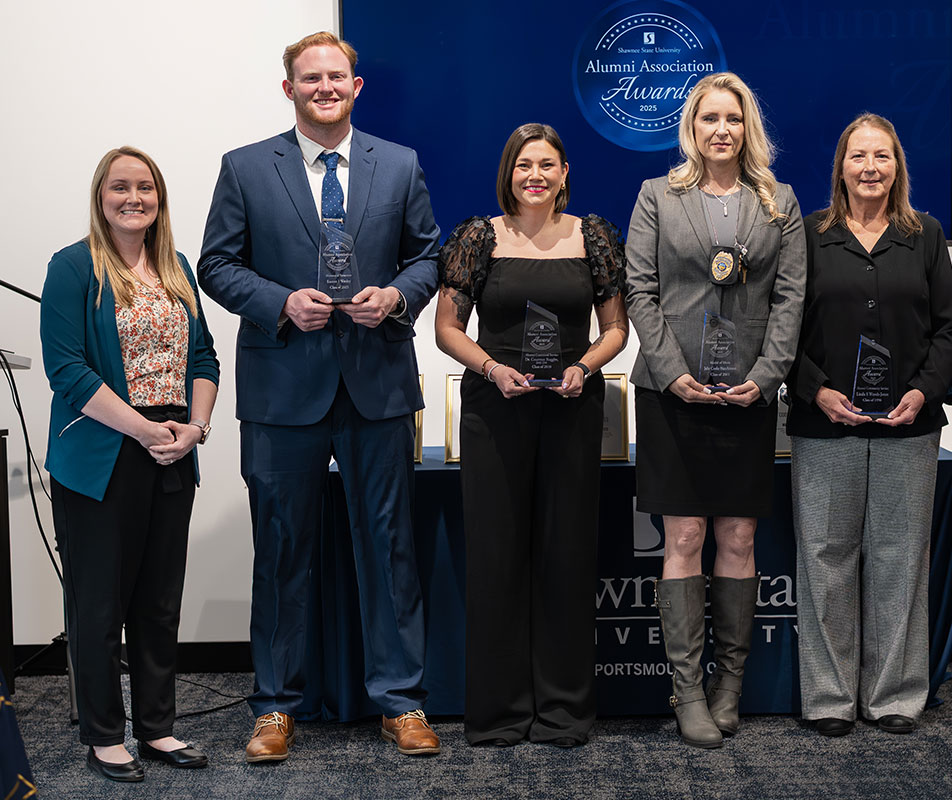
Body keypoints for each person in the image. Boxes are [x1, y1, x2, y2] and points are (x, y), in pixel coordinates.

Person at [198, 31, 441, 761]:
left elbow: (426, 255)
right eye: (311, 79)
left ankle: (401, 703)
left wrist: (396, 297)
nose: (325, 88)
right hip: (282, 390)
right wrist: (278, 303)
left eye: (337, 77)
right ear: (289, 89)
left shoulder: (398, 165)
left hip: (377, 385)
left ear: (356, 87)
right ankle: (275, 706)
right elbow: (216, 263)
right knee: (281, 551)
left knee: (390, 547)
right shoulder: (245, 167)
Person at [625, 72, 805, 748]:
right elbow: (639, 289)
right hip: (674, 396)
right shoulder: (657, 197)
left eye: (732, 119)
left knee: (737, 538)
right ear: (692, 129)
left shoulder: (778, 201)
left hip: (748, 396)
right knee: (685, 539)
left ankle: (730, 683)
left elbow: (791, 298)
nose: (721, 130)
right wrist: (672, 374)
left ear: (746, 128)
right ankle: (687, 690)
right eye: (709, 120)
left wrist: (765, 377)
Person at [434, 123, 628, 747]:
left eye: (547, 164)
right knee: (497, 559)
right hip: (496, 409)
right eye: (524, 165)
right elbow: (446, 328)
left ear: (565, 173)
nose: (535, 175)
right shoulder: (477, 237)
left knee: (566, 557)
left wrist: (584, 367)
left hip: (572, 407)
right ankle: (497, 714)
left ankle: (565, 711)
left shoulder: (593, 237)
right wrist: (491, 367)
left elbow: (616, 329)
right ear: (508, 174)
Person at [41, 146, 219, 782]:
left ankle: (158, 730)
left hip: (172, 450)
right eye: (121, 187)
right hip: (103, 454)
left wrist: (192, 431)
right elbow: (68, 372)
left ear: (159, 198)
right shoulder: (73, 268)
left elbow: (204, 360)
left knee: (157, 601)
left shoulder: (177, 268)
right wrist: (145, 430)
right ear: (101, 195)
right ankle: (103, 735)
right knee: (99, 603)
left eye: (145, 187)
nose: (134, 197)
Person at [786, 113, 952, 737]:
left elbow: (950, 327)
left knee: (898, 559)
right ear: (840, 166)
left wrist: (923, 391)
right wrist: (816, 390)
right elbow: (783, 327)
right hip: (823, 423)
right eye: (858, 156)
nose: (870, 167)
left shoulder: (924, 235)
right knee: (825, 560)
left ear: (897, 167)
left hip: (907, 427)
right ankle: (830, 698)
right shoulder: (808, 235)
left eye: (882, 157)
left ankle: (895, 694)